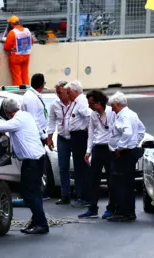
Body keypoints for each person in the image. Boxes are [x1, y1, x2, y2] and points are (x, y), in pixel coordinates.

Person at [0, 98, 49, 235]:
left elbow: (2, 126)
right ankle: (37, 221)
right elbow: (7, 124)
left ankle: (41, 224)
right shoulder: (25, 116)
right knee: (33, 192)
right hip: (37, 158)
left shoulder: (17, 121)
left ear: (6, 112)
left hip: (32, 160)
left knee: (29, 193)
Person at [107, 92, 145, 222]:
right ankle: (128, 211)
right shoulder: (132, 114)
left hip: (123, 155)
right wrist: (134, 142)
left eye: (113, 106)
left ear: (118, 105)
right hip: (129, 152)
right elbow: (141, 130)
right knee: (127, 184)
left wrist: (120, 148)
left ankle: (123, 212)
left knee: (120, 184)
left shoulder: (124, 116)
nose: (112, 109)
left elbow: (127, 132)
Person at [78, 90, 117, 219]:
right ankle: (92, 208)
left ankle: (111, 208)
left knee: (112, 181)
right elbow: (91, 132)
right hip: (97, 148)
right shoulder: (93, 115)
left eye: (91, 104)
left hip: (109, 148)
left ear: (99, 103)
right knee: (94, 180)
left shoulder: (112, 112)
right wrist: (88, 151)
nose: (90, 107)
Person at [46, 80, 74, 205]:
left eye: (60, 92)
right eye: (57, 93)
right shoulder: (54, 104)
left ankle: (80, 193)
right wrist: (49, 137)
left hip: (75, 137)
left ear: (67, 92)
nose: (58, 95)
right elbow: (51, 121)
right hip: (62, 137)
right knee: (63, 167)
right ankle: (65, 194)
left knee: (79, 166)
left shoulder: (76, 103)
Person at [65, 80, 91, 208]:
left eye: (69, 92)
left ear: (75, 91)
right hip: (77, 136)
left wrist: (87, 129)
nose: (67, 95)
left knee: (81, 167)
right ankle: (81, 194)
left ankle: (84, 196)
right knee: (79, 167)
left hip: (80, 136)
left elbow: (88, 116)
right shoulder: (76, 102)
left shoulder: (81, 101)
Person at [4, 15, 33, 86]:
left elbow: (6, 47)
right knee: (25, 75)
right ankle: (27, 90)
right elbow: (31, 42)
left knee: (17, 76)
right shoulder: (27, 30)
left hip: (15, 57)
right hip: (26, 55)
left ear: (11, 24)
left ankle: (19, 92)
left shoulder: (12, 33)